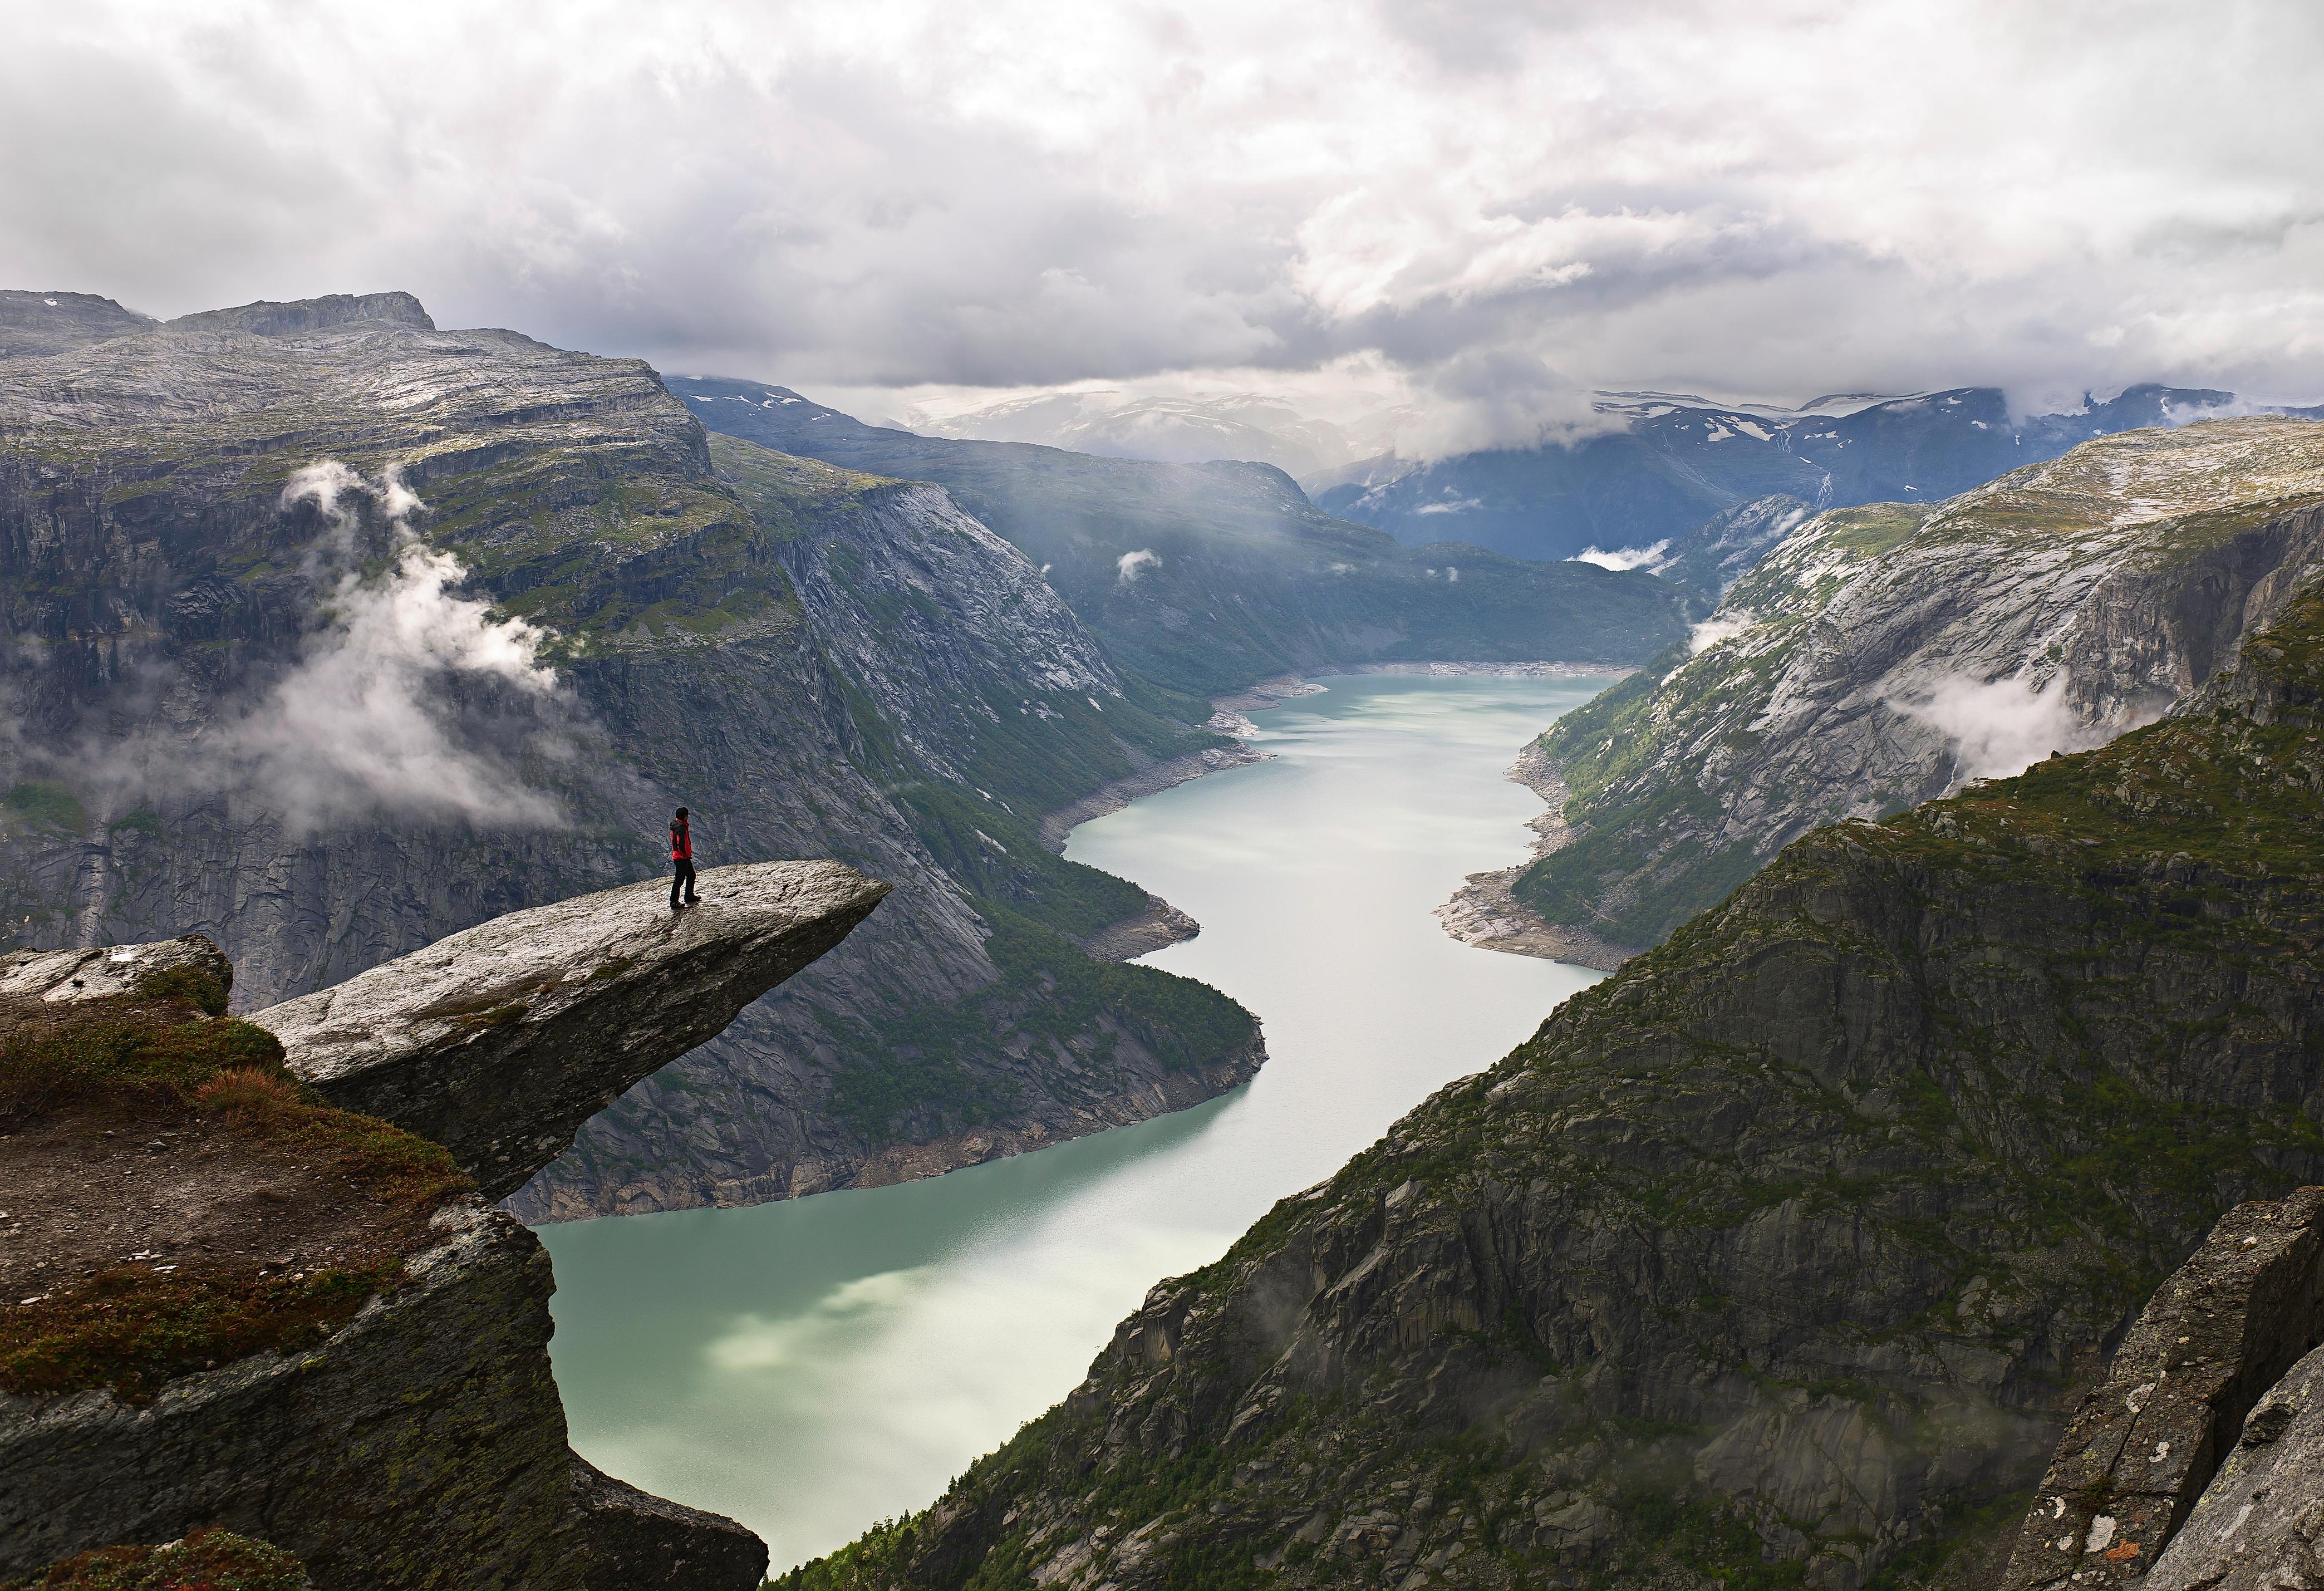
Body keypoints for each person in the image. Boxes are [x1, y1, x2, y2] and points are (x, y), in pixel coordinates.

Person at [669, 807, 699, 910]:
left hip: (682, 857)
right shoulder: (681, 828)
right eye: (687, 815)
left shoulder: (677, 826)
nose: (688, 817)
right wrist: (685, 854)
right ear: (685, 816)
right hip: (681, 857)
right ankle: (674, 901)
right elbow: (680, 843)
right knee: (679, 880)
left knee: (691, 875)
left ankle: (689, 896)